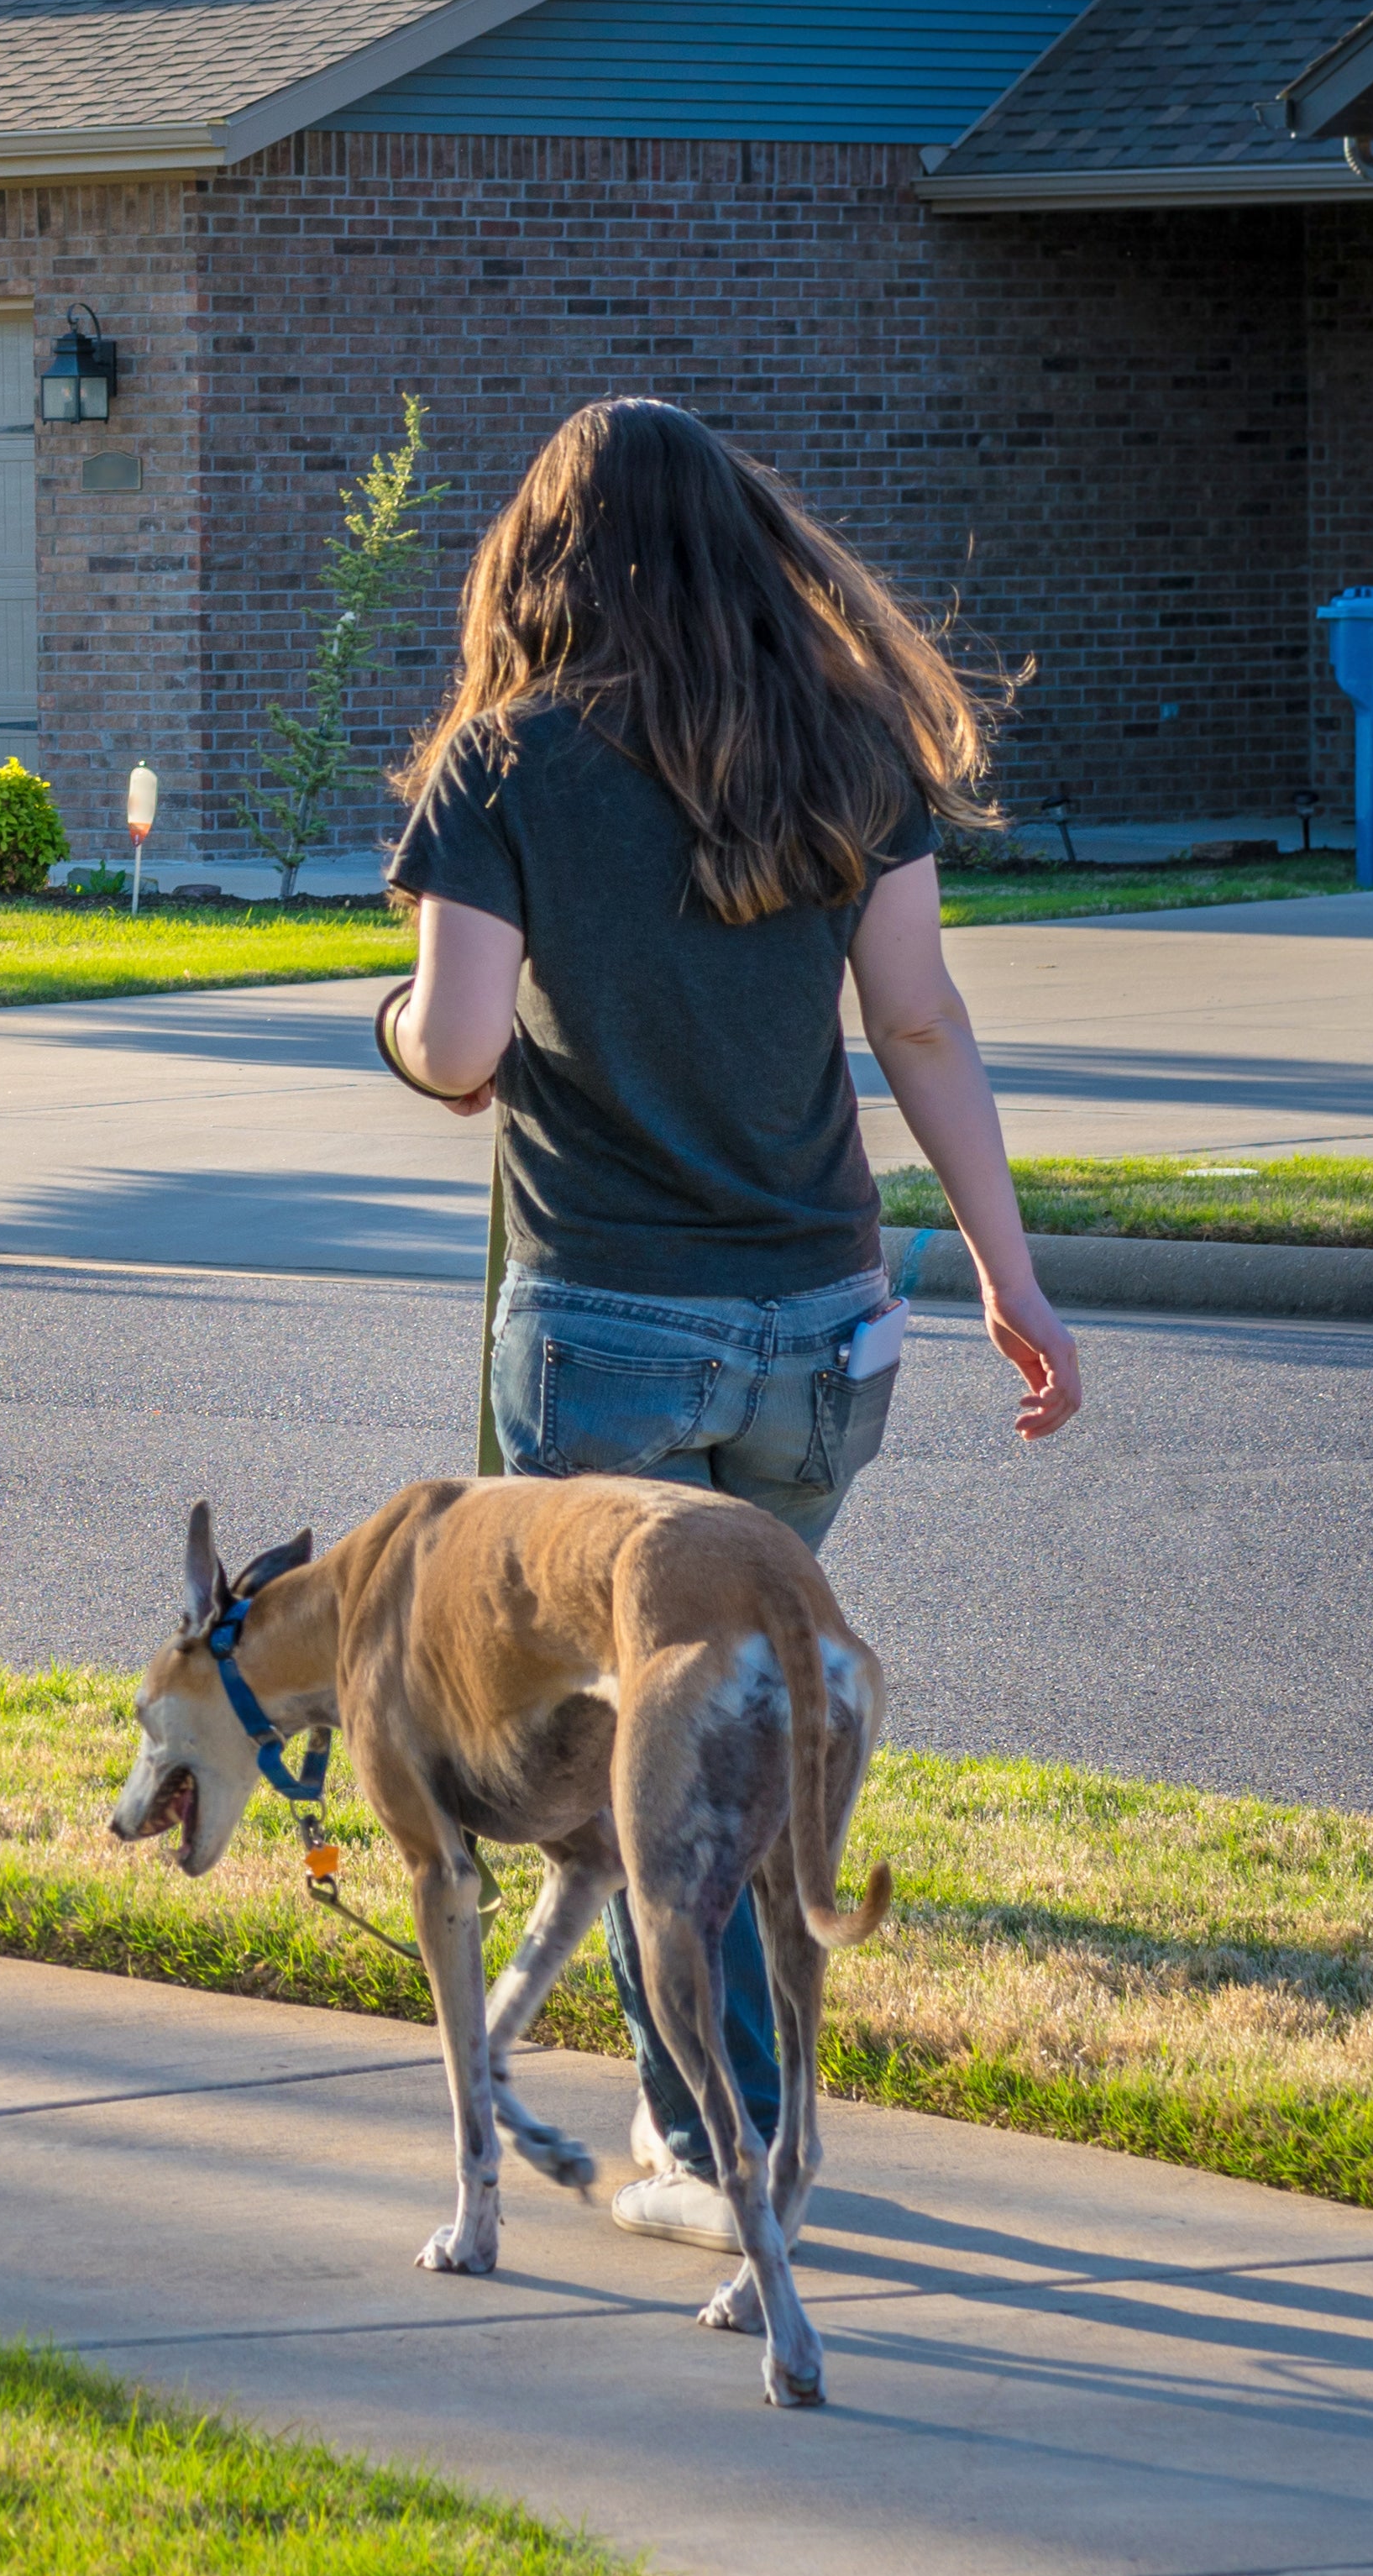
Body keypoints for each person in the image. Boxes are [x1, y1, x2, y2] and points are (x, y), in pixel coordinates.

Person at [374, 396, 1079, 2253]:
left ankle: (718, 2135)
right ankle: (720, 2112)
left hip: (603, 1326)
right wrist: (1013, 1276)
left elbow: (453, 1047)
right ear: (753, 550)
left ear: (540, 560)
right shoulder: (844, 743)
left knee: (646, 1764)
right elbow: (917, 1023)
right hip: (825, 1344)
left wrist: (389, 1025)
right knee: (729, 1740)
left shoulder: (500, 762)